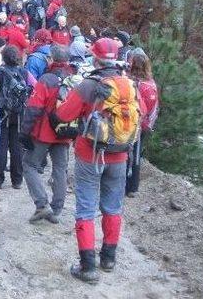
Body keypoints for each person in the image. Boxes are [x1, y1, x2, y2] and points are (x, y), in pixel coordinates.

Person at [51, 38, 146, 283]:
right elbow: (142, 114)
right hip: (120, 154)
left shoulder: (89, 85)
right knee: (113, 207)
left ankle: (88, 266)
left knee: (85, 208)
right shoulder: (130, 85)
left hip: (90, 154)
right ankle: (109, 258)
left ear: (95, 58)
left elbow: (64, 114)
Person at [20, 45, 76, 224]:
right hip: (65, 131)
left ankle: (42, 204)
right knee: (60, 169)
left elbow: (34, 107)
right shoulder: (72, 79)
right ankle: (56, 209)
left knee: (29, 164)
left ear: (52, 59)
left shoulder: (46, 79)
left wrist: (25, 131)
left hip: (45, 132)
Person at [0, 45, 30, 190]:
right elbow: (35, 88)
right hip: (18, 115)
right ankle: (17, 180)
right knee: (17, 148)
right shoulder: (24, 72)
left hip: (0, 115)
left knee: (0, 147)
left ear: (3, 57)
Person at [125, 50, 159, 198]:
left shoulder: (134, 83)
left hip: (133, 123)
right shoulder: (150, 83)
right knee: (135, 153)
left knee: (130, 153)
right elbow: (153, 107)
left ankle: (130, 186)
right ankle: (131, 186)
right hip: (144, 124)